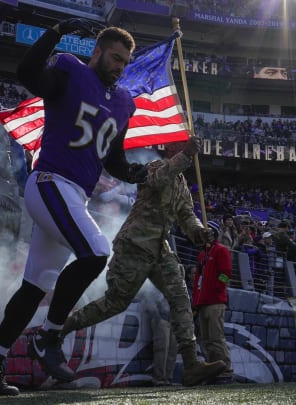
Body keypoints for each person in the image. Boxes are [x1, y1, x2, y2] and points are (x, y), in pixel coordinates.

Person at [0, 19, 146, 396]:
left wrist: (132, 172)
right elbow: (27, 73)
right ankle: (49, 337)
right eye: (115, 58)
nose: (119, 66)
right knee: (97, 252)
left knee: (34, 286)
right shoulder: (71, 71)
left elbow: (112, 158)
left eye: (125, 62)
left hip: (74, 195)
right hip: (50, 181)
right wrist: (54, 33)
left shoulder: (122, 103)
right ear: (97, 52)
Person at [59, 139, 226, 387]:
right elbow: (157, 181)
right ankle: (60, 330)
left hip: (159, 248)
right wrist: (186, 156)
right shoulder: (154, 167)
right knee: (115, 303)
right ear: (171, 150)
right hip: (135, 243)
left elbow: (187, 216)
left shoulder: (181, 184)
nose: (186, 150)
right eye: (181, 147)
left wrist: (199, 232)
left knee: (180, 297)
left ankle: (191, 364)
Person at [192, 221, 234, 384]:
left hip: (215, 302)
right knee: (206, 339)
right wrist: (196, 301)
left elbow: (226, 274)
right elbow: (197, 280)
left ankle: (226, 370)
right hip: (203, 303)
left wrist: (217, 289)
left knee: (216, 338)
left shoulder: (221, 250)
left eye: (205, 233)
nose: (202, 237)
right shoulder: (202, 254)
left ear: (213, 234)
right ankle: (214, 370)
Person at [141, 287, 177, 386]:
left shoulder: (174, 283)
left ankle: (168, 379)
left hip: (173, 320)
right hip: (162, 319)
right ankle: (159, 379)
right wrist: (157, 317)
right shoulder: (155, 284)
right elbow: (149, 300)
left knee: (172, 351)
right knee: (162, 349)